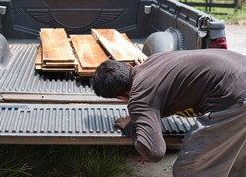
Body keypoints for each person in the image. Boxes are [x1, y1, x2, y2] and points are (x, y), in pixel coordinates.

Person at [91, 49, 246, 177]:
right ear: (127, 66)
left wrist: (129, 126)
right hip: (240, 70)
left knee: (189, 170)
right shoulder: (154, 59)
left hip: (235, 96)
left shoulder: (139, 97)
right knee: (236, 163)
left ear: (120, 97)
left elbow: (154, 152)